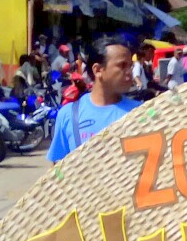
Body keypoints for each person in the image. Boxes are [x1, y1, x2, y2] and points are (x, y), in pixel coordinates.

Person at [46, 34, 142, 163]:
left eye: (130, 66)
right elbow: (57, 170)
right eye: (122, 66)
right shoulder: (69, 114)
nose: (130, 73)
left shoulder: (139, 112)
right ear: (97, 70)